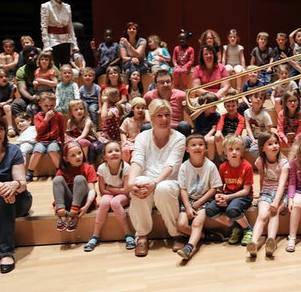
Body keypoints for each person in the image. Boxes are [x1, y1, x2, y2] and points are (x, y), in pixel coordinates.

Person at [127, 99, 185, 257]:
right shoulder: (142, 137)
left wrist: (155, 182)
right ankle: (142, 236)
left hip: (170, 180)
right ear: (151, 118)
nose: (164, 119)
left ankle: (176, 233)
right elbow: (137, 160)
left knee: (163, 188)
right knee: (139, 183)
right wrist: (131, 182)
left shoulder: (179, 138)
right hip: (147, 180)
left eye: (167, 115)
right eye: (159, 115)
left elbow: (172, 165)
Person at [0, 114, 32, 273]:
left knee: (3, 198)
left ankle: (7, 252)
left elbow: (22, 184)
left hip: (18, 199)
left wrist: (13, 186)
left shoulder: (13, 150)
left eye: (1, 129)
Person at [175, 134, 222, 260]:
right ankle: (203, 236)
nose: (197, 147)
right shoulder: (184, 166)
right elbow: (183, 189)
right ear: (187, 149)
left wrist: (199, 202)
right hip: (189, 200)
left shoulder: (210, 166)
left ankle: (189, 247)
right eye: (193, 145)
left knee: (196, 223)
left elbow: (214, 188)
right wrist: (188, 207)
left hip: (204, 199)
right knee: (181, 225)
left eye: (201, 145)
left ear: (205, 148)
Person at [84, 141, 134, 252]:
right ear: (104, 157)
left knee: (115, 203)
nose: (114, 153)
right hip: (111, 195)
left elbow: (126, 190)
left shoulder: (126, 167)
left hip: (124, 196)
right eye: (110, 151)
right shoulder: (102, 168)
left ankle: (128, 234)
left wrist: (110, 188)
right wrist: (115, 190)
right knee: (104, 202)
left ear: (121, 153)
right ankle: (95, 236)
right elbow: (102, 191)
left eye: (117, 150)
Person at [205, 134, 254, 246]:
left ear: (242, 152)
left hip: (243, 196)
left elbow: (246, 191)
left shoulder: (247, 167)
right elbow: (220, 187)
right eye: (230, 149)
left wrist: (228, 197)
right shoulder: (222, 167)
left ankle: (247, 229)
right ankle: (236, 227)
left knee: (232, 209)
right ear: (225, 152)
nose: (234, 152)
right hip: (228, 194)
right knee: (210, 209)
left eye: (237, 149)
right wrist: (218, 195)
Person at [247, 131, 289, 258]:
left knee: (273, 212)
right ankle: (253, 242)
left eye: (276, 143)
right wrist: (259, 194)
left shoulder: (284, 163)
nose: (275, 146)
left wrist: (276, 202)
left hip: (281, 194)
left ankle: (271, 241)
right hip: (266, 191)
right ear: (263, 148)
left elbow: (282, 184)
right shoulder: (260, 161)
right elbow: (262, 178)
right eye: (270, 144)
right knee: (262, 215)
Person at [52, 141, 97, 232]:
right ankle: (62, 215)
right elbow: (58, 188)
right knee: (57, 179)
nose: (78, 157)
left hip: (82, 203)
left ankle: (74, 215)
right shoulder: (63, 169)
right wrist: (58, 205)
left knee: (79, 179)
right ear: (65, 159)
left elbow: (92, 190)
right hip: (69, 201)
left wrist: (87, 206)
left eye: (79, 153)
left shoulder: (88, 168)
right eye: (73, 155)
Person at [27, 92, 64, 182]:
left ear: (55, 104)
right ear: (40, 105)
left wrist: (63, 143)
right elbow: (39, 131)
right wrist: (46, 119)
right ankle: (29, 172)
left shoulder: (59, 115)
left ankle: (60, 171)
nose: (49, 108)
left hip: (54, 141)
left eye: (51, 105)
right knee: (37, 151)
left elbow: (62, 130)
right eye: (46, 105)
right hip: (41, 141)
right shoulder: (37, 117)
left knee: (52, 150)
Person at [143, 68, 191, 137]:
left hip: (176, 129)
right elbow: (142, 110)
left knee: (185, 125)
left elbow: (192, 115)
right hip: (156, 128)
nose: (165, 85)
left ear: (172, 83)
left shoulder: (181, 95)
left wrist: (187, 108)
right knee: (146, 127)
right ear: (155, 85)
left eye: (168, 82)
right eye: (162, 82)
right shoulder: (148, 96)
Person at [40, 0, 78, 66]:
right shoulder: (46, 6)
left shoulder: (67, 6)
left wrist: (74, 44)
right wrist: (46, 45)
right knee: (55, 66)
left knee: (66, 65)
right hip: (53, 40)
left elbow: (70, 26)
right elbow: (44, 27)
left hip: (65, 39)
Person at [65, 99, 103, 166]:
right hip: (76, 139)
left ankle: (86, 160)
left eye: (81, 108)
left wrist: (74, 141)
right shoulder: (70, 121)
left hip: (90, 140)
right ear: (71, 112)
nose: (79, 111)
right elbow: (68, 133)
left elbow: (84, 135)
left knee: (82, 142)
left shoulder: (87, 121)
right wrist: (69, 140)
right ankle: (70, 163)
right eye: (76, 110)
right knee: (67, 142)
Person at [214, 90, 245, 159]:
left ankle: (234, 157)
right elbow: (220, 126)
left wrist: (232, 139)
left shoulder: (241, 118)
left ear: (237, 105)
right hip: (224, 138)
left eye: (233, 106)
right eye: (228, 106)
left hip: (235, 137)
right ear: (225, 106)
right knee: (217, 136)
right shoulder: (223, 116)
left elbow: (239, 130)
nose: (230, 108)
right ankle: (222, 158)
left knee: (238, 141)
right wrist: (218, 132)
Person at [190, 92, 220, 161]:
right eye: (213, 105)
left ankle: (211, 162)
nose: (216, 107)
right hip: (197, 134)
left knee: (211, 140)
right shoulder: (199, 112)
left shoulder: (216, 115)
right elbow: (192, 117)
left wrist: (205, 137)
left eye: (216, 105)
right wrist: (202, 109)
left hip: (208, 135)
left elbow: (213, 129)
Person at [243, 90, 272, 158]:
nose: (258, 99)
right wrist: (253, 140)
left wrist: (259, 141)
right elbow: (248, 128)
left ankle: (264, 161)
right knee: (240, 142)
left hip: (263, 138)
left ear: (263, 101)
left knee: (253, 150)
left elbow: (268, 133)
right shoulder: (246, 112)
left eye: (261, 98)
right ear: (250, 98)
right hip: (251, 137)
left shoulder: (265, 115)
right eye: (256, 97)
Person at [120, 97, 149, 163]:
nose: (140, 110)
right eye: (138, 108)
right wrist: (124, 141)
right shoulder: (127, 120)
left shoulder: (144, 120)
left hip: (141, 143)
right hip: (130, 142)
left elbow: (148, 121)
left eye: (143, 108)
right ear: (132, 109)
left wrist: (146, 112)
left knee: (135, 155)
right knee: (125, 150)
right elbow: (122, 132)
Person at [0, 69, 16, 137]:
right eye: (1, 77)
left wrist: (5, 102)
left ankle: (10, 127)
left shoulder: (11, 86)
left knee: (6, 107)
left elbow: (11, 98)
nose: (4, 78)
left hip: (7, 104)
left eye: (6, 76)